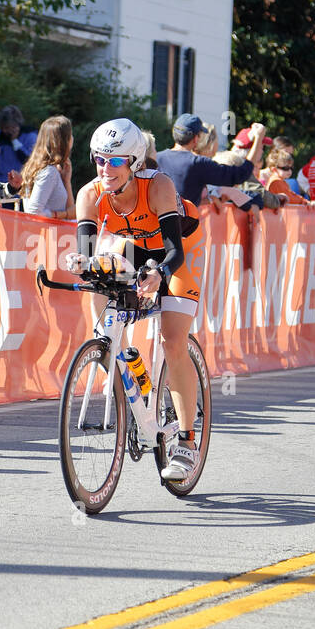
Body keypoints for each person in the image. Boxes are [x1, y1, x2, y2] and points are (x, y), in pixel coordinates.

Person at [65, 117, 204, 483]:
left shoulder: (158, 186)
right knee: (99, 288)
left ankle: (187, 442)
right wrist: (81, 261)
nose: (104, 168)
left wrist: (160, 274)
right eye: (99, 159)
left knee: (172, 341)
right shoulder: (90, 194)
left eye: (114, 161)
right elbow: (88, 252)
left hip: (179, 253)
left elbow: (175, 251)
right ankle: (128, 366)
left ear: (135, 163)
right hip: (136, 251)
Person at [157, 113, 264, 207]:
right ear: (196, 138)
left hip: (157, 227)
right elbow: (240, 174)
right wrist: (258, 138)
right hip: (186, 227)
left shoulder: (156, 158)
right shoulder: (198, 163)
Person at [21, 116, 76, 219]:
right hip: (47, 234)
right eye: (70, 135)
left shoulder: (51, 169)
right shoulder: (49, 172)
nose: (72, 138)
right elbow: (33, 213)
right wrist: (64, 214)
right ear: (63, 141)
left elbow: (72, 212)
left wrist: (66, 181)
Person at [0, 105, 37, 184]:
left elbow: (27, 160)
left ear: (17, 124)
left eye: (9, 127)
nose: (6, 131)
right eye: (3, 128)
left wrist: (14, 141)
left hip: (21, 183)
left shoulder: (30, 137)